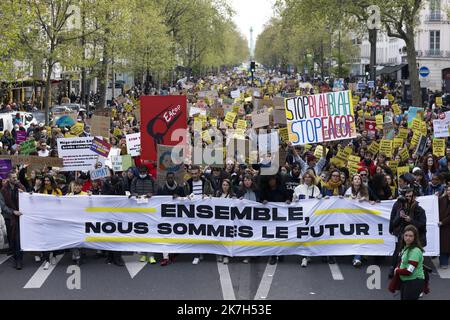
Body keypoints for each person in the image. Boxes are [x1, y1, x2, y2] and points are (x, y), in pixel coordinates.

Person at [388, 188, 427, 278]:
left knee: (413, 253)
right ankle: (393, 269)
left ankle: (413, 271)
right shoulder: (401, 208)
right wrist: (400, 217)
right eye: (407, 196)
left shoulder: (420, 210)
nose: (408, 198)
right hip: (402, 234)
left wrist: (411, 220)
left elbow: (422, 225)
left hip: (415, 236)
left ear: (415, 197)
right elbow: (394, 223)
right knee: (398, 251)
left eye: (410, 196)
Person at [293, 171, 322, 268]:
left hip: (311, 216)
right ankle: (304, 256)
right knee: (303, 235)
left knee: (309, 235)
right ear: (303, 178)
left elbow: (319, 202)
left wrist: (320, 198)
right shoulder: (298, 188)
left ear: (312, 178)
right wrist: (294, 200)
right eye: (305, 177)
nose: (307, 179)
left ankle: (307, 255)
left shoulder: (316, 189)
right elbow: (293, 201)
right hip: (301, 216)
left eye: (309, 177)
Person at [131, 166, 157, 265]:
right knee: (141, 233)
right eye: (140, 171)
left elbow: (156, 191)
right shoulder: (135, 180)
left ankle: (151, 256)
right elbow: (132, 190)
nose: (142, 173)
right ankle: (143, 254)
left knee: (151, 233)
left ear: (147, 171)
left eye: (144, 171)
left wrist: (152, 194)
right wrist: (135, 194)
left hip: (150, 211)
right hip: (139, 211)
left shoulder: (152, 179)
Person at [393, 225, 426, 301]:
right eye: (406, 235)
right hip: (406, 282)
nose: (408, 238)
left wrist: (397, 270)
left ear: (415, 237)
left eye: (411, 236)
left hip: (413, 283)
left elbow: (408, 271)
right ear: (403, 236)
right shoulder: (406, 247)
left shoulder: (415, 251)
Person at [345, 174, 370, 267]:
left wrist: (364, 199)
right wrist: (350, 198)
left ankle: (357, 258)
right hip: (351, 218)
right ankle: (356, 255)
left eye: (359, 179)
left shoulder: (364, 190)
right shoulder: (348, 190)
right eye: (355, 179)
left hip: (361, 218)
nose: (357, 180)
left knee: (360, 237)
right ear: (352, 181)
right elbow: (344, 202)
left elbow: (368, 200)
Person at [1, 172, 24, 270]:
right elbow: (3, 206)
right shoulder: (3, 190)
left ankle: (19, 260)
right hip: (10, 218)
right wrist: (13, 211)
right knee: (11, 239)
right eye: (13, 178)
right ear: (9, 179)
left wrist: (23, 192)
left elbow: (27, 195)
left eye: (16, 177)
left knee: (18, 239)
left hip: (19, 217)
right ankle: (15, 257)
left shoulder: (19, 187)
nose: (16, 179)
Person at [215, 179, 235, 265]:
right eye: (223, 185)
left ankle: (226, 256)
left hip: (229, 220)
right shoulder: (218, 194)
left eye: (227, 185)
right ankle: (220, 254)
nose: (225, 187)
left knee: (227, 238)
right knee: (220, 237)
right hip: (219, 219)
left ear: (229, 186)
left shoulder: (233, 195)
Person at [438, 185, 450, 269]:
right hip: (443, 226)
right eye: (448, 190)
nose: (449, 192)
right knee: (443, 244)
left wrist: (443, 222)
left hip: (445, 223)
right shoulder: (442, 199)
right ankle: (443, 262)